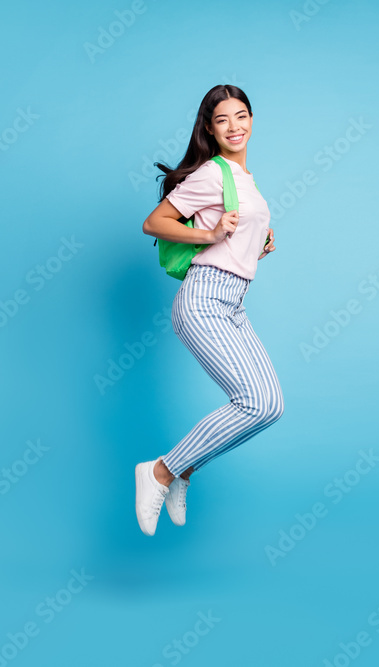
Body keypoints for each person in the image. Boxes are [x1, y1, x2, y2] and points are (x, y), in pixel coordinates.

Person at [136, 84, 283, 536]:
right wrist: (211, 236)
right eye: (223, 120)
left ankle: (183, 469)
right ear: (209, 129)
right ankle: (160, 471)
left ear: (252, 120)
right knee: (253, 402)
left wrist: (257, 243)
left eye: (241, 116)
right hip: (204, 301)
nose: (234, 127)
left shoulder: (246, 179)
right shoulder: (211, 175)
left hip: (233, 302)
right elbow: (154, 222)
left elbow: (234, 231)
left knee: (270, 406)